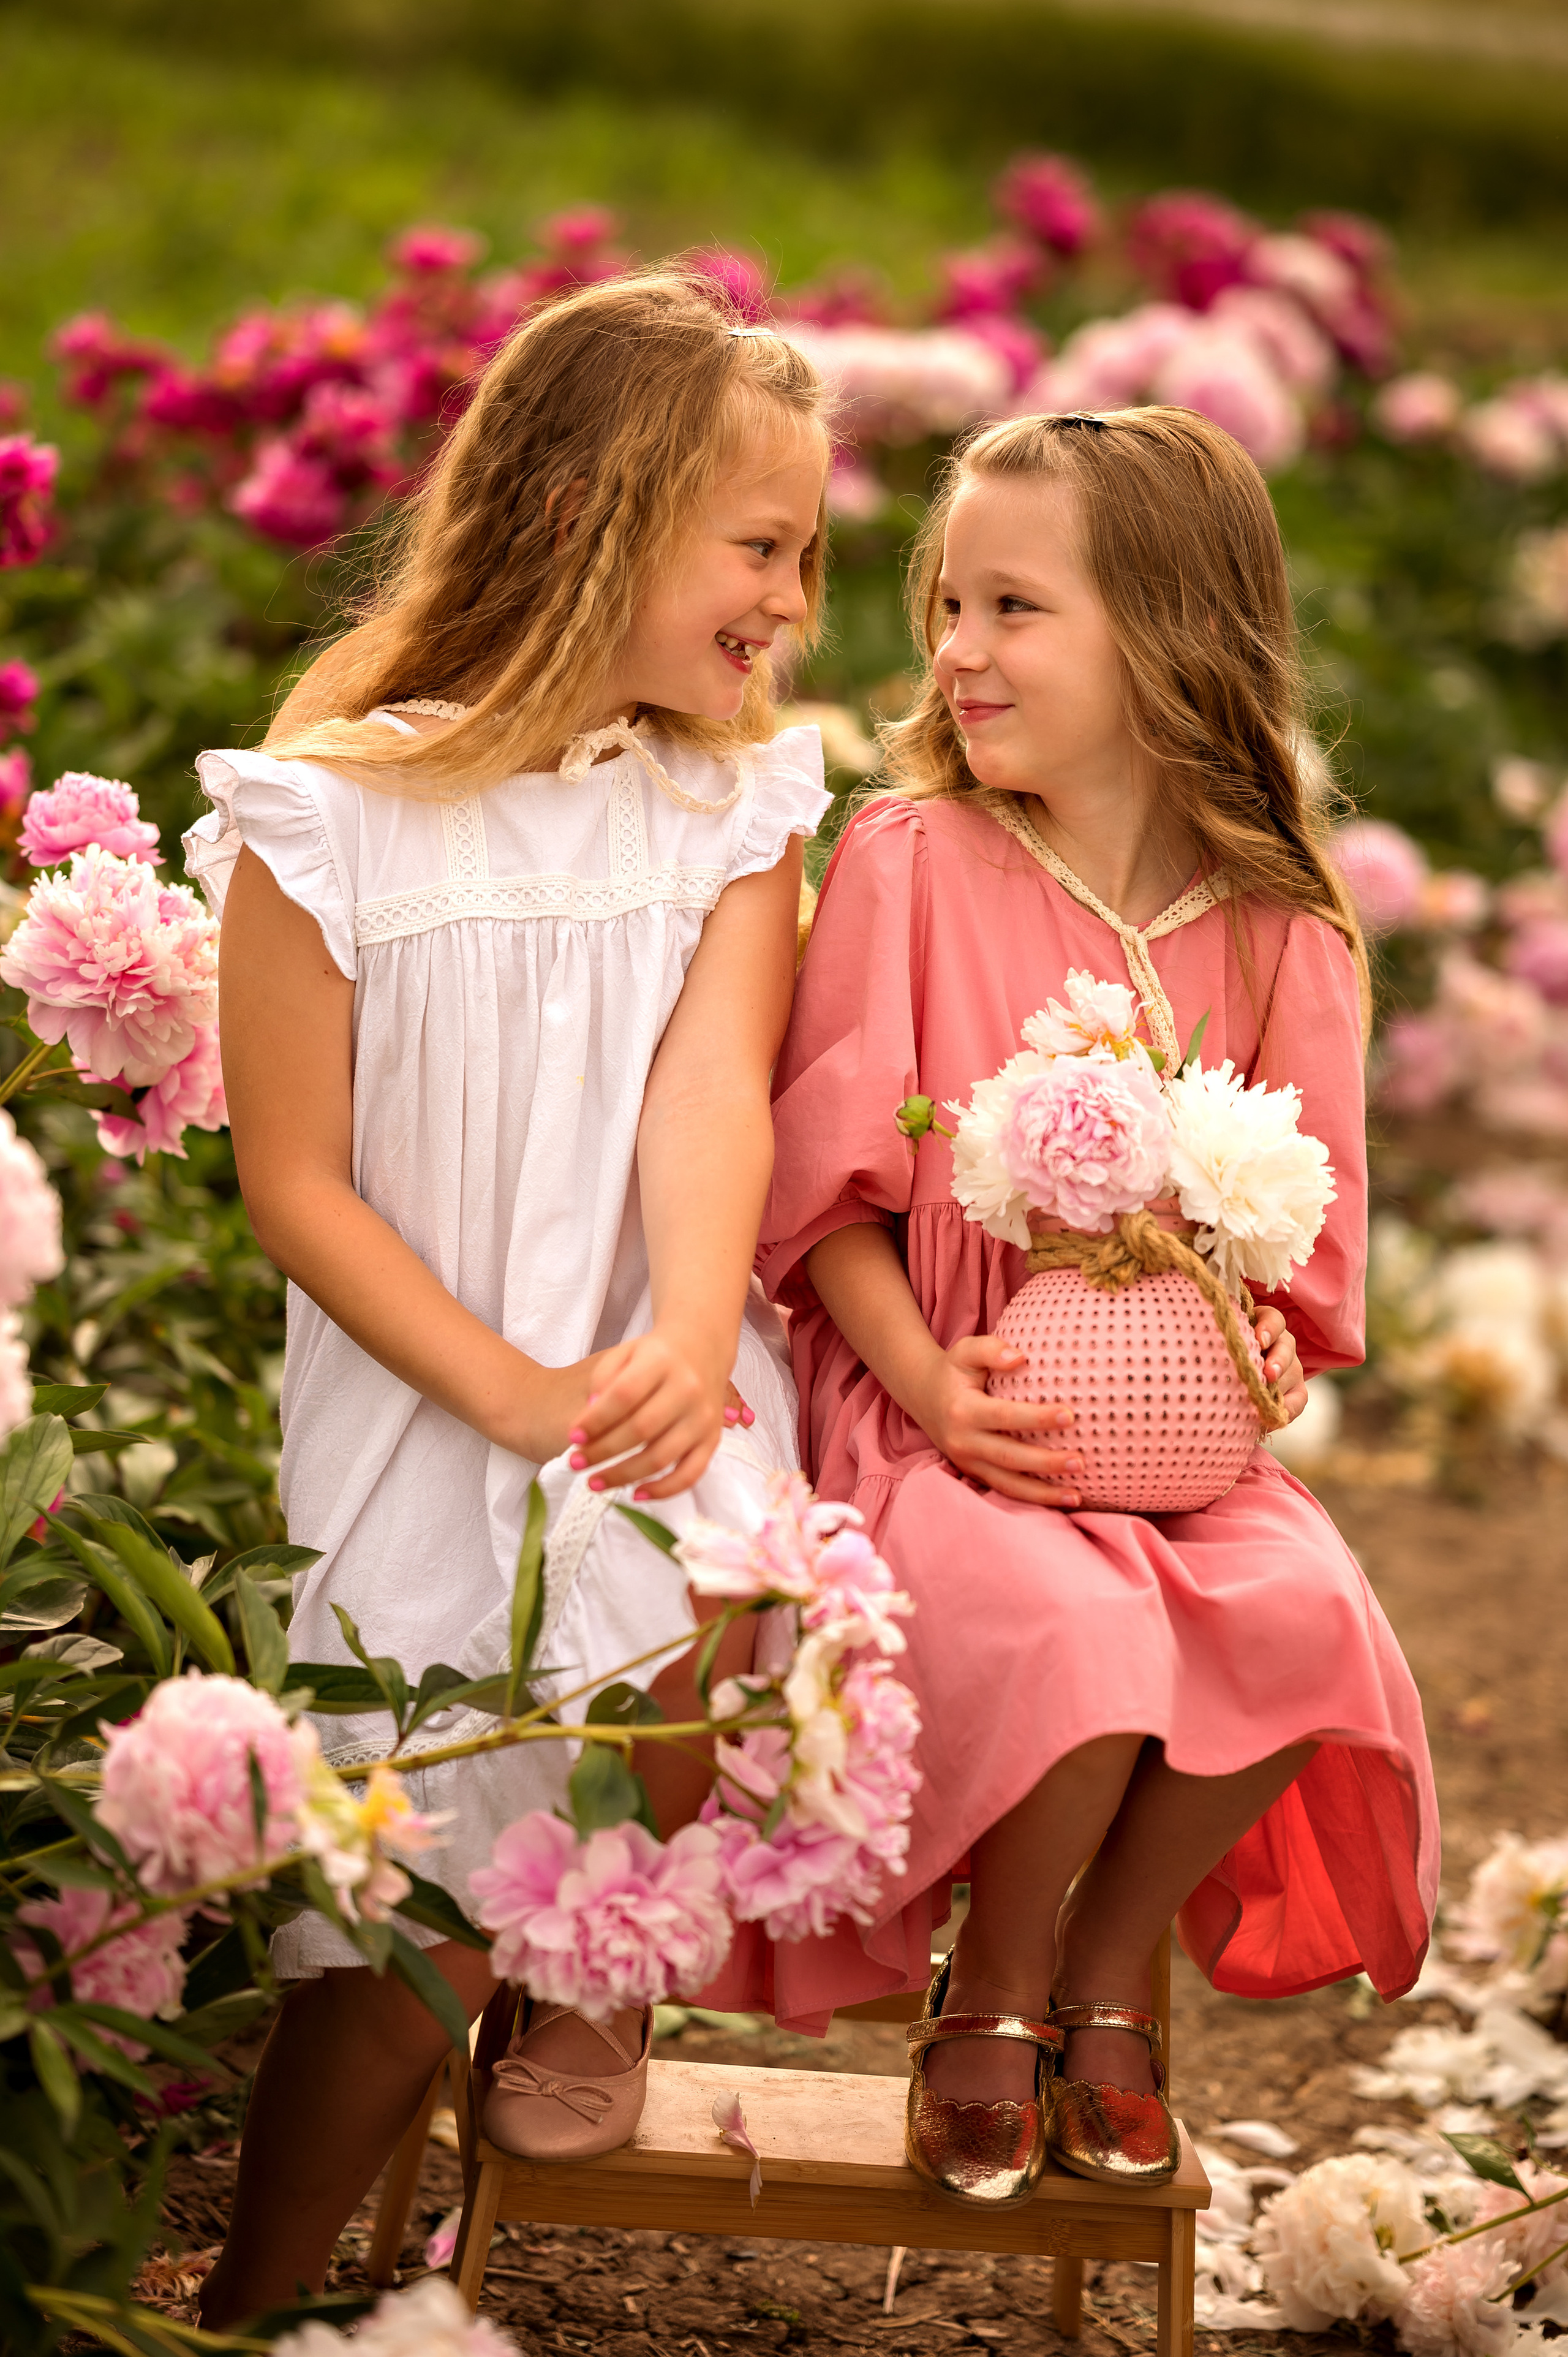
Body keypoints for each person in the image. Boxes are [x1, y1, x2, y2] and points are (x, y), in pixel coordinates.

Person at [189, 272, 831, 2323]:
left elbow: (709, 1087)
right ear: (591, 524)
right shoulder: (327, 817)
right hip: (423, 1374)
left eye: (811, 554)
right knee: (408, 1896)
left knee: (685, 1567)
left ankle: (596, 1952)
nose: (797, 600)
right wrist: (507, 1387)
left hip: (653, 1336)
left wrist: (674, 1339)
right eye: (762, 549)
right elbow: (295, 1182)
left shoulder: (729, 808)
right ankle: (262, 2294)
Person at [756, 407, 1437, 2208]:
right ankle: (990, 1988)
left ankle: (1101, 1959)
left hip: (1175, 1433)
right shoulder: (912, 862)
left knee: (1311, 1625)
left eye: (1014, 609)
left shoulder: (1282, 926)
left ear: (1167, 636)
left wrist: (1272, 1333)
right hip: (943, 1407)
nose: (955, 651)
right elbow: (822, 1190)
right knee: (1074, 1633)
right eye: (948, 602)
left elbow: (1295, 1265)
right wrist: (926, 1377)